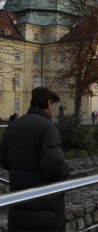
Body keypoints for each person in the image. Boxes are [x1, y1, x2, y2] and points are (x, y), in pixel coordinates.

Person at [0, 87, 70, 232]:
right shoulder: (47, 127)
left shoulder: (13, 125)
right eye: (53, 105)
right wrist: (66, 170)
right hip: (44, 206)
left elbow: (4, 161)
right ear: (49, 103)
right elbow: (54, 168)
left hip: (19, 202)